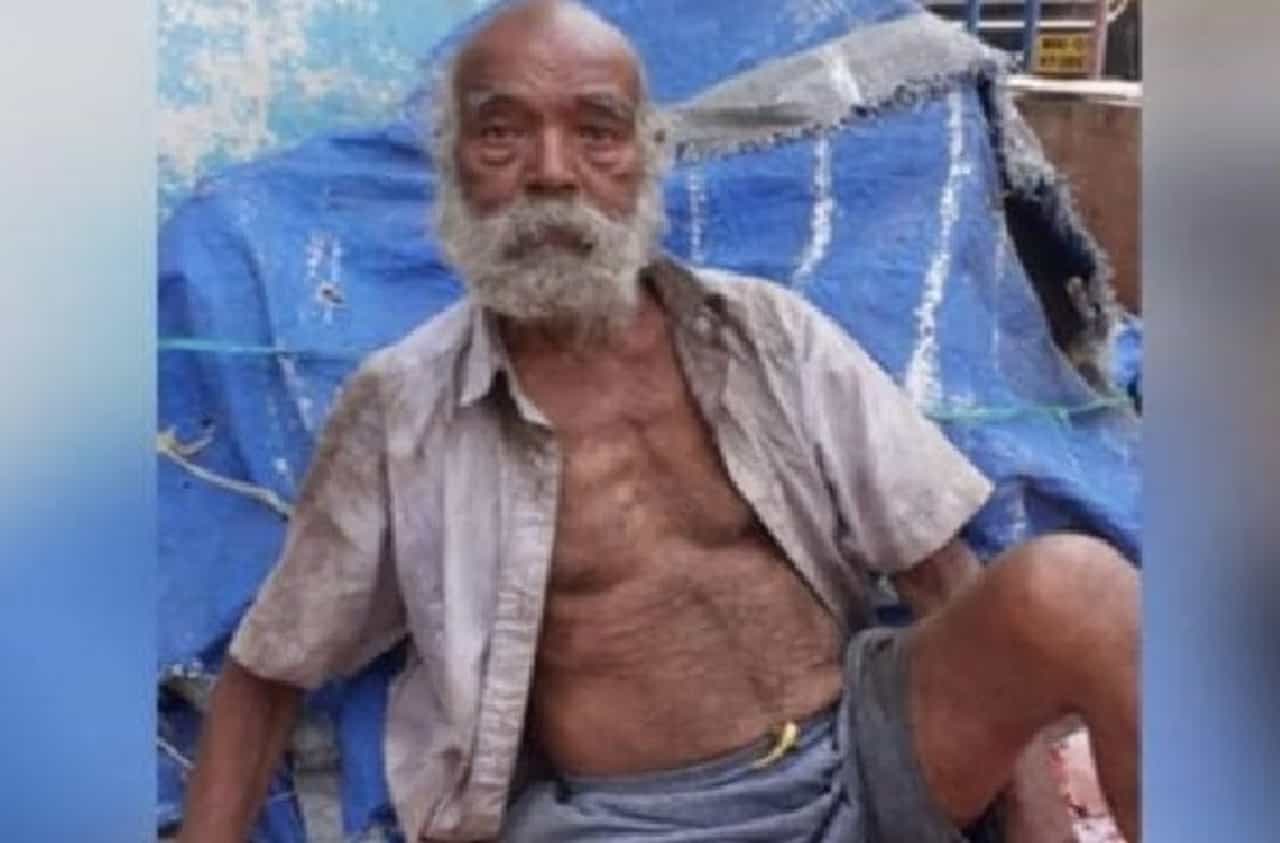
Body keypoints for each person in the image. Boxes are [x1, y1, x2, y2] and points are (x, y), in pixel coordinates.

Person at [178, 2, 1140, 841]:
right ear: (453, 166)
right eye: (501, 133)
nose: (551, 173)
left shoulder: (768, 333)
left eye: (597, 132)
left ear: (647, 160)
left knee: (1076, 588)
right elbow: (269, 672)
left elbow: (942, 575)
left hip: (862, 751)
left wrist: (1036, 824)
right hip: (625, 820)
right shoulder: (402, 408)